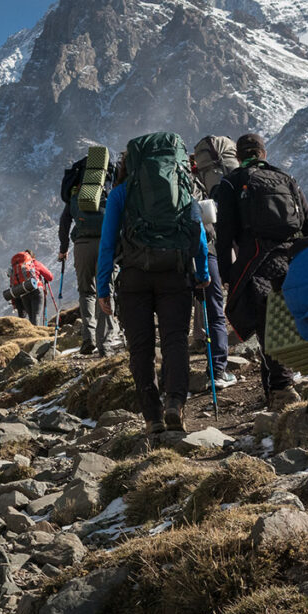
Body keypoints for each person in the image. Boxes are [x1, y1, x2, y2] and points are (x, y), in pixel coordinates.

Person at [97, 133, 210, 433]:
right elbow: (197, 231)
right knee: (175, 341)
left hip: (134, 278)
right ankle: (176, 403)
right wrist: (202, 273)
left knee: (141, 349)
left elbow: (107, 243)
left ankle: (152, 417)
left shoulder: (121, 192)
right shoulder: (182, 188)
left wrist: (102, 287)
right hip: (175, 272)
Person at [214, 133, 308, 410]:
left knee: (266, 324)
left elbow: (224, 233)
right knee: (285, 318)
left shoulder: (231, 182)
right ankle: (276, 390)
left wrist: (227, 274)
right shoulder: (285, 178)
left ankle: (283, 390)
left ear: (238, 155)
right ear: (263, 152)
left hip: (254, 261)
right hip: (290, 259)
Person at [59, 156, 119, 356]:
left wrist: (63, 248)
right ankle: (106, 342)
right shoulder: (110, 188)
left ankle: (89, 339)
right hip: (106, 244)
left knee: (86, 292)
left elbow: (65, 222)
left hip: (82, 245)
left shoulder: (76, 191)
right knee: (107, 290)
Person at [189, 150, 234, 390]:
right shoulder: (199, 184)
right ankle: (217, 371)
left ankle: (174, 381)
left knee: (174, 319)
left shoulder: (161, 192)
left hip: (170, 256)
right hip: (207, 251)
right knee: (215, 311)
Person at [8, 250, 54, 324]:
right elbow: (50, 277)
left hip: (24, 292)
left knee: (31, 317)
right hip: (36, 291)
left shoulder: (17, 267)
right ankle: (35, 334)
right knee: (36, 315)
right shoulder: (35, 263)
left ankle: (31, 332)